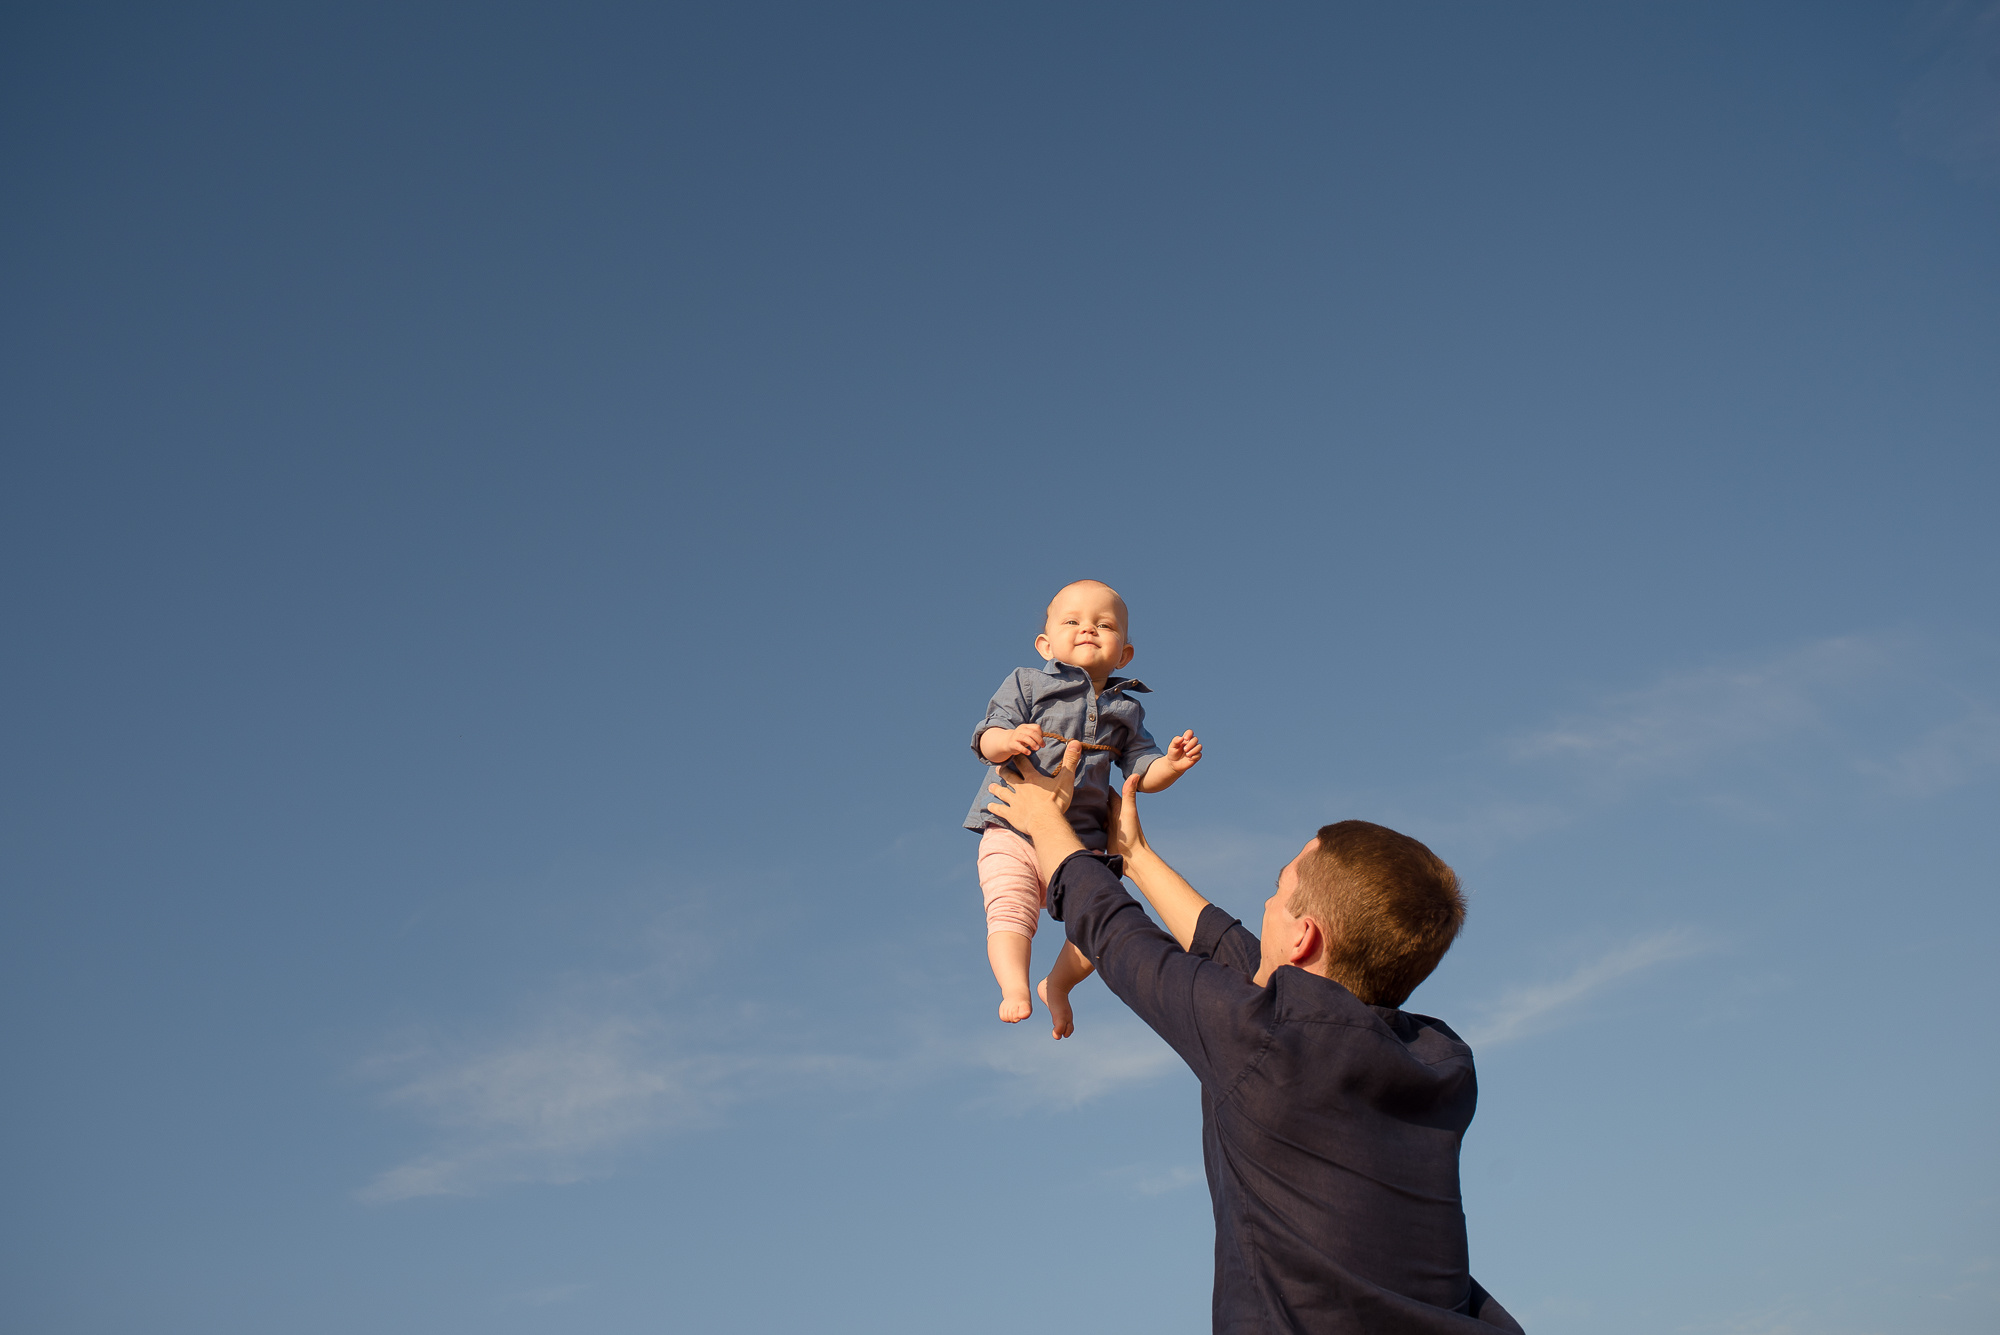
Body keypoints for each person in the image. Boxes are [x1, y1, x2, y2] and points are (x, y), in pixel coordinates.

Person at [985, 749, 1524, 1334]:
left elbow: (1118, 935)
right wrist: (1134, 856)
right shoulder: (1440, 1060)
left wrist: (1045, 825)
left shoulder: (1262, 1046)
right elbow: (1244, 964)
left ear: (1303, 937)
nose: (1264, 904)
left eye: (1277, 889)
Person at [962, 579, 1202, 1036]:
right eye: (1072, 621)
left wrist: (1170, 766)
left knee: (1104, 920)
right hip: (1011, 825)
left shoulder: (1125, 709)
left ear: (1124, 654)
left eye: (1104, 624)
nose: (1088, 629)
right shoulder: (1026, 683)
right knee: (1010, 908)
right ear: (1045, 643)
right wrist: (1008, 740)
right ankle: (1014, 986)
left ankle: (1058, 984)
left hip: (1080, 842)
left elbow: (1140, 773)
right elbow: (986, 735)